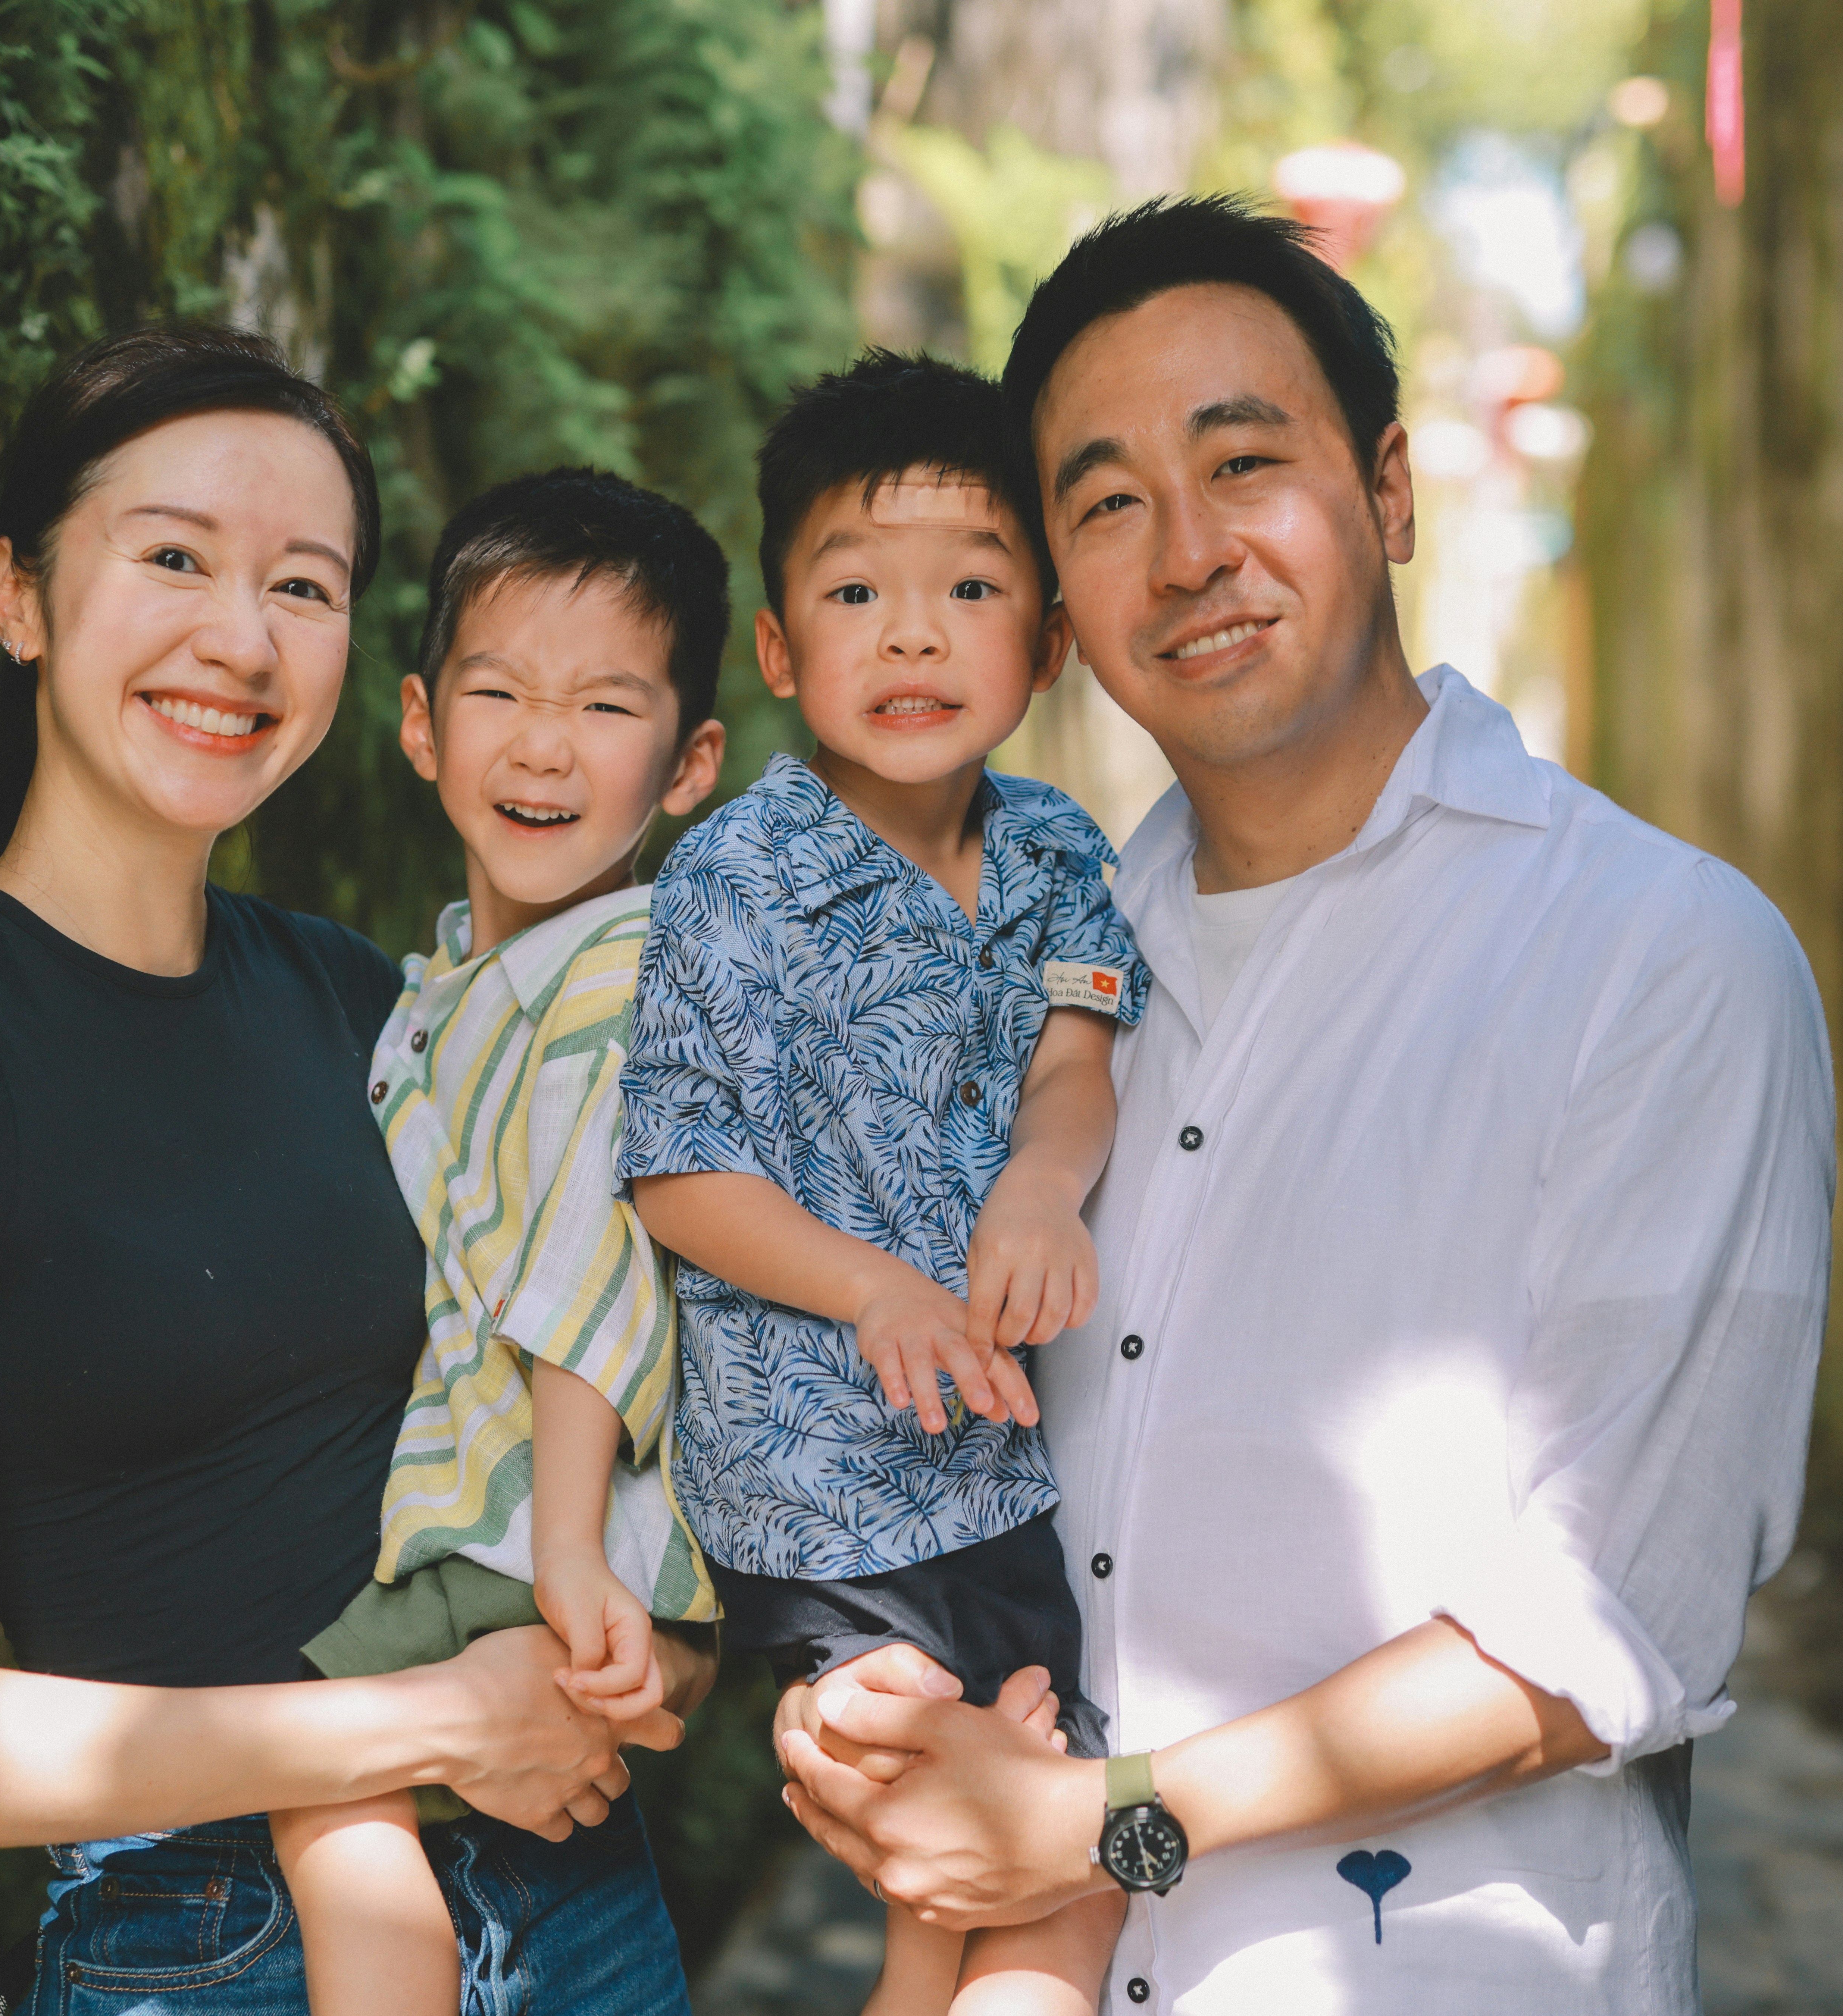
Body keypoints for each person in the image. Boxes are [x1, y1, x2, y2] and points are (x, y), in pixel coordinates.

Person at [771, 200, 1836, 2014]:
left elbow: (1607, 1622)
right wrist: (862, 1691)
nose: (1190, 554)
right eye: (1109, 503)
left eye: (1244, 463)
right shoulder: (1038, 978)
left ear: (1390, 491)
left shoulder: (1658, 956)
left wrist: (1099, 1825)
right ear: (1056, 598)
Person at [0, 323, 708, 2016]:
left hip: (577, 1893)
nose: (242, 639)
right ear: (19, 594)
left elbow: (594, 1325)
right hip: (210, 1945)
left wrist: (653, 1652)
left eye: (305, 586)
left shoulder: (372, 1005)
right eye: (175, 558)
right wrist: (429, 1720)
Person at [620, 352, 1149, 2016]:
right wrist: (877, 1288)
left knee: (1022, 1783)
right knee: (928, 1756)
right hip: (819, 1469)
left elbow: (1079, 1058)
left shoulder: (1061, 850)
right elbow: (680, 1169)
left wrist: (1042, 1189)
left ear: (1046, 644)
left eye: (970, 589)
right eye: (857, 592)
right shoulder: (734, 877)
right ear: (782, 652)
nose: (913, 636)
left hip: (1002, 1461)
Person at [268, 468, 732, 2016]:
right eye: (500, 693)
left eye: (605, 705)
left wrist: (568, 1552)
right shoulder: (457, 983)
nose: (543, 745)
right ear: (422, 725)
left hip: (535, 1528)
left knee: (320, 1773)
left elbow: (591, 1275)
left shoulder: (619, 975)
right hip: (534, 1526)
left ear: (690, 763)